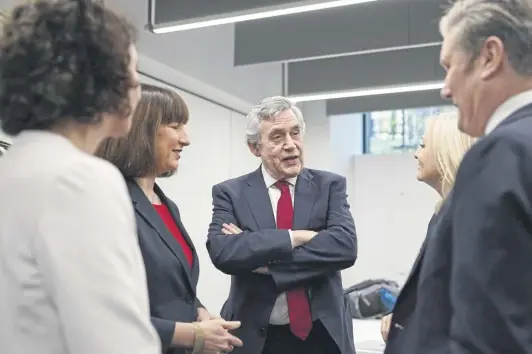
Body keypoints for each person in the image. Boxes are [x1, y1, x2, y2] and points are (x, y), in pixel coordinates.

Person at [403, 0, 532, 353]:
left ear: (490, 56)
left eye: (449, 66)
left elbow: (490, 339)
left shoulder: (503, 154)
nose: (446, 88)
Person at [0, 1, 160, 354]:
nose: (137, 84)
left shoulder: (14, 169)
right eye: (133, 69)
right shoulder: (79, 180)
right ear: (102, 79)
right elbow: (116, 343)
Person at [96, 84, 243, 354]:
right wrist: (192, 335)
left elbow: (173, 286)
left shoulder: (166, 205)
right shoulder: (107, 200)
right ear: (142, 131)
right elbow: (101, 310)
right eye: (175, 126)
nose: (185, 139)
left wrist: (200, 312)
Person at [206, 96, 358, 354]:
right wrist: (296, 237)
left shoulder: (330, 186)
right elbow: (223, 252)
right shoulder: (231, 193)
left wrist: (264, 260)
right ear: (255, 148)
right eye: (277, 137)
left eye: (295, 133)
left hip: (322, 335)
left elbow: (344, 248)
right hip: (257, 339)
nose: (291, 145)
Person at [380, 113, 475, 353]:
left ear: (446, 152)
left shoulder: (463, 216)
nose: (416, 153)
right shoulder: (442, 214)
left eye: (423, 146)